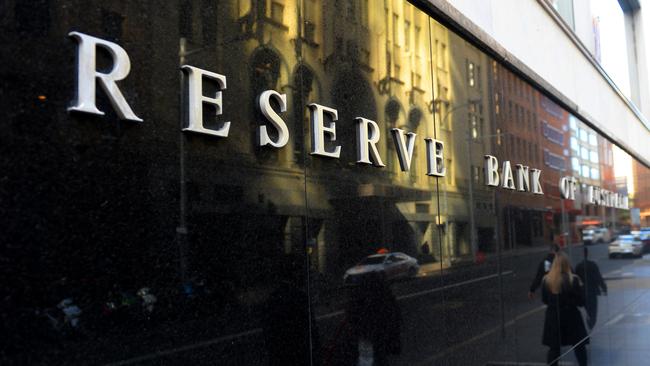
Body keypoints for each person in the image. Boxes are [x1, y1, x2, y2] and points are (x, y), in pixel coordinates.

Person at [541, 251, 588, 366]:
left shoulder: (546, 280)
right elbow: (581, 302)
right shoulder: (574, 279)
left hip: (553, 318)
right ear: (567, 264)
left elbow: (545, 300)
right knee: (579, 346)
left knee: (554, 349)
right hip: (572, 317)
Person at [575, 246, 607, 329]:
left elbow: (576, 280)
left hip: (583, 291)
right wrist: (604, 288)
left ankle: (589, 319)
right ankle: (591, 321)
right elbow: (598, 277)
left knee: (588, 308)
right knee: (594, 309)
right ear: (587, 254)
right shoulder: (593, 265)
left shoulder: (578, 266)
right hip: (592, 291)